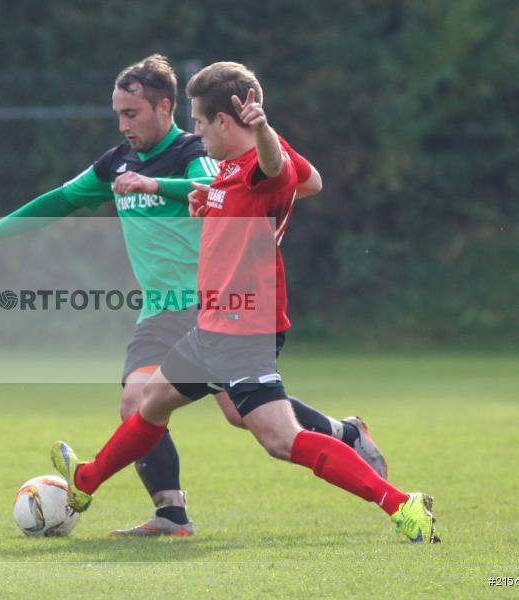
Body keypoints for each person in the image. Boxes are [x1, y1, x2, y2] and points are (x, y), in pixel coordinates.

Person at [0, 55, 387, 537]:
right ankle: (170, 513)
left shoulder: (193, 151)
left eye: (131, 113)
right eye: (117, 114)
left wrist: (158, 184)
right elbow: (61, 199)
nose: (123, 125)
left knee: (244, 416)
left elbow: (221, 183)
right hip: (159, 312)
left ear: (165, 108)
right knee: (142, 402)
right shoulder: (117, 162)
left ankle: (346, 434)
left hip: (212, 306)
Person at [51, 61, 441, 543]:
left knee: (282, 440)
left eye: (198, 120)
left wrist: (264, 132)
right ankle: (86, 481)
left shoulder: (260, 165)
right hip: (211, 323)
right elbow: (311, 180)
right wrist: (209, 196)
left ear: (224, 122)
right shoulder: (231, 172)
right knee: (149, 404)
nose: (194, 130)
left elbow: (278, 172)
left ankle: (402, 504)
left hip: (242, 327)